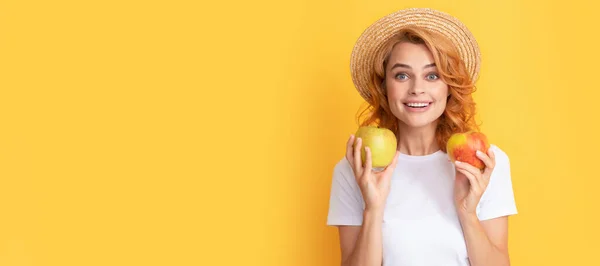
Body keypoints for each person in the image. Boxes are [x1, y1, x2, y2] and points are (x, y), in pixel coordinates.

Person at [326, 8, 518, 266]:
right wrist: (373, 209)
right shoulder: (357, 169)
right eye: (402, 75)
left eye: (432, 75)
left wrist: (466, 212)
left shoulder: (484, 163)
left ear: (449, 86)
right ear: (384, 86)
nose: (417, 89)